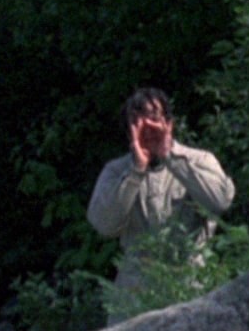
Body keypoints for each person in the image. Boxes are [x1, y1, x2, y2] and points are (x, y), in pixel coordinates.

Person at [86, 87, 236, 299]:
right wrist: (136, 172)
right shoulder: (115, 171)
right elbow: (104, 225)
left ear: (169, 123)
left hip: (191, 285)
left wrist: (170, 156)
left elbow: (220, 202)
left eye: (153, 118)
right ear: (129, 131)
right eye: (138, 122)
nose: (147, 128)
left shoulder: (199, 160)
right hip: (135, 293)